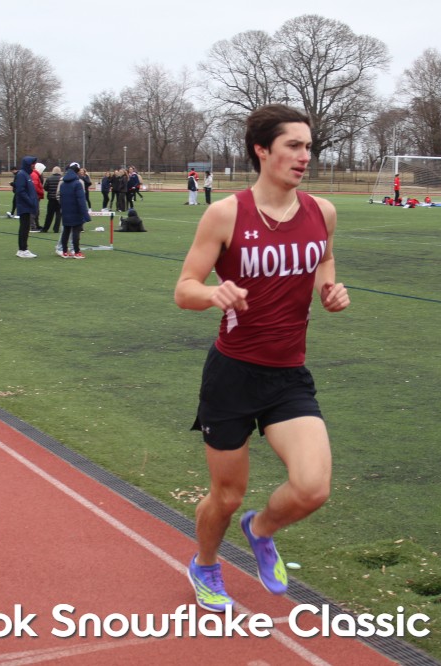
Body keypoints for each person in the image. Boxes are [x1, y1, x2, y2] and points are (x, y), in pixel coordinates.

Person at [174, 104, 349, 612]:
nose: (304, 156)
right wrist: (214, 293)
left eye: (308, 147)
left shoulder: (322, 212)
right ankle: (206, 563)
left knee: (312, 488)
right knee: (226, 496)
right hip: (232, 375)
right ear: (262, 150)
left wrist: (329, 289)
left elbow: (325, 257)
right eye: (293, 146)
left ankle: (262, 528)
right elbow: (184, 289)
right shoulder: (226, 214)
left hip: (289, 374)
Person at [56, 162, 91, 258]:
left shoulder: (63, 184)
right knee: (76, 232)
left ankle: (64, 251)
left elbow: (60, 197)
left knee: (66, 231)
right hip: (76, 211)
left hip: (65, 210)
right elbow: (81, 200)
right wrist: (86, 215)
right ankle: (76, 252)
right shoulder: (77, 184)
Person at [12, 157, 39, 258]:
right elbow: (21, 191)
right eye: (32, 163)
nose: (34, 165)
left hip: (27, 206)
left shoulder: (27, 174)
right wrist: (30, 201)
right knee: (24, 227)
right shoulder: (22, 175)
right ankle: (22, 249)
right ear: (28, 164)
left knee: (26, 227)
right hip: (24, 206)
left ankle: (23, 249)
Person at [41, 166, 62, 233]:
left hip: (51, 199)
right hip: (59, 199)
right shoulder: (62, 179)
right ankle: (56, 229)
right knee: (58, 215)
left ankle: (45, 228)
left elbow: (45, 187)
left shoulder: (49, 178)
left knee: (49, 215)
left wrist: (50, 190)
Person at [30, 162, 46, 231]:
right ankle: (33, 226)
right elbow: (35, 187)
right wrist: (41, 192)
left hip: (35, 196)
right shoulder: (35, 175)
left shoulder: (35, 175)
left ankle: (36, 225)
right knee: (34, 212)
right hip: (35, 196)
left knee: (36, 211)